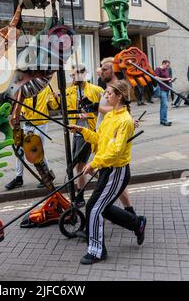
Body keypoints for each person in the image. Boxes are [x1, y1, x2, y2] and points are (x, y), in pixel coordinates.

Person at [70, 80, 147, 265]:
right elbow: (99, 138)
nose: (106, 96)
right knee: (100, 207)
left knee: (94, 208)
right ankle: (137, 223)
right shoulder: (111, 115)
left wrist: (94, 164)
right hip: (107, 170)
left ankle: (96, 251)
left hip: (116, 171)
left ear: (119, 96)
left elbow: (115, 151)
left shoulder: (125, 120)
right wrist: (82, 130)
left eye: (109, 93)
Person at [97, 57, 137, 215]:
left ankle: (129, 217)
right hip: (103, 138)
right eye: (101, 68)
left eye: (105, 69)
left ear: (113, 69)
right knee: (113, 183)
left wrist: (96, 107)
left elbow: (122, 111)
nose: (101, 71)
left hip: (112, 144)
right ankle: (128, 212)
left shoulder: (117, 88)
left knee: (111, 183)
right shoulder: (106, 88)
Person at [5, 86, 58, 190]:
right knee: (20, 149)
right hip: (27, 124)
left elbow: (54, 106)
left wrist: (56, 98)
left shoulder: (45, 88)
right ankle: (18, 178)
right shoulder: (25, 88)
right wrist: (18, 113)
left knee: (37, 151)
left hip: (40, 124)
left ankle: (48, 175)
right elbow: (21, 105)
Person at [65, 64, 104, 208]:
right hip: (77, 132)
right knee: (81, 166)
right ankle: (105, 180)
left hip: (89, 132)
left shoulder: (96, 90)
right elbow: (59, 106)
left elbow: (105, 109)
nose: (72, 78)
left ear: (83, 74)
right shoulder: (69, 91)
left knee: (80, 165)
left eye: (74, 75)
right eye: (72, 75)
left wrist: (87, 114)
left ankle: (80, 197)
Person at [154, 60, 173, 126]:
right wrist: (166, 79)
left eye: (168, 66)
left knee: (163, 105)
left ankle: (162, 120)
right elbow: (156, 77)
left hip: (167, 89)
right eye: (167, 65)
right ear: (163, 64)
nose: (167, 67)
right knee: (165, 105)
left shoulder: (166, 70)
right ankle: (164, 121)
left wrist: (170, 80)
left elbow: (167, 78)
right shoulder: (158, 69)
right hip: (161, 89)